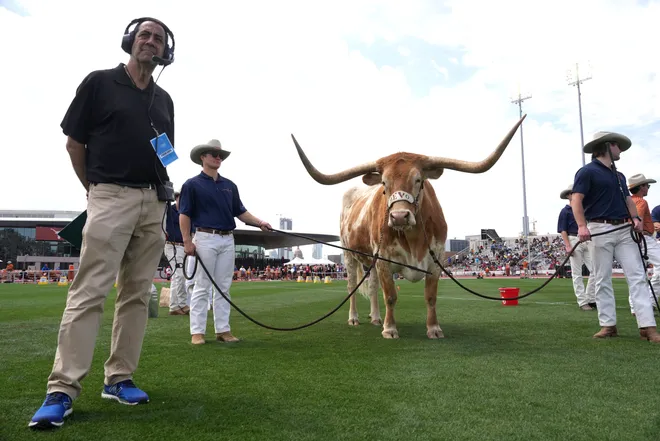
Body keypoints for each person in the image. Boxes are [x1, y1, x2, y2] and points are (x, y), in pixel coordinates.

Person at [29, 17, 177, 429]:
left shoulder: (165, 100)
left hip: (154, 202)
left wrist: (167, 193)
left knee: (137, 296)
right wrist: (93, 189)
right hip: (109, 194)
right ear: (130, 41)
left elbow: (167, 155)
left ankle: (119, 378)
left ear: (167, 51)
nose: (150, 41)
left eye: (158, 38)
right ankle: (62, 388)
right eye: (144, 35)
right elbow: (74, 143)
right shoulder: (99, 82)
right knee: (89, 292)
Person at [178, 139, 272, 345]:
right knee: (202, 286)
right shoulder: (191, 184)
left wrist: (260, 222)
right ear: (203, 157)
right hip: (204, 238)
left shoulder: (230, 185)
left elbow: (241, 212)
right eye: (213, 154)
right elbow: (184, 214)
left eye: (220, 155)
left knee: (223, 286)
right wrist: (187, 241)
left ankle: (223, 330)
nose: (218, 157)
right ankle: (197, 332)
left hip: (227, 238)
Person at [571, 131, 660, 342]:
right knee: (602, 278)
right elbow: (576, 199)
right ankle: (608, 325)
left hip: (624, 229)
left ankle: (647, 326)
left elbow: (629, 202)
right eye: (617, 146)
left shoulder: (619, 175)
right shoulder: (586, 172)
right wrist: (582, 226)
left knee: (637, 275)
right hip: (599, 228)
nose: (620, 150)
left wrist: (636, 219)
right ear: (607, 146)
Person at [557, 183, 596, 310]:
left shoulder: (584, 208)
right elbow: (563, 230)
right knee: (577, 273)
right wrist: (568, 245)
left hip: (586, 239)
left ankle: (590, 297)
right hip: (573, 239)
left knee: (595, 269)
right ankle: (582, 301)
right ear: (569, 195)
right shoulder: (565, 211)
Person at [625, 174, 660, 315]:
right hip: (642, 237)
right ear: (641, 187)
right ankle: (648, 301)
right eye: (647, 185)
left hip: (631, 239)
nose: (648, 188)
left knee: (636, 273)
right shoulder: (640, 201)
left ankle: (636, 307)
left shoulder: (628, 201)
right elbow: (636, 221)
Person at [164, 191, 189, 315]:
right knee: (178, 275)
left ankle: (181, 304)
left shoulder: (186, 213)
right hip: (172, 245)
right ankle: (175, 305)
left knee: (181, 276)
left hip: (183, 246)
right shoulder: (169, 210)